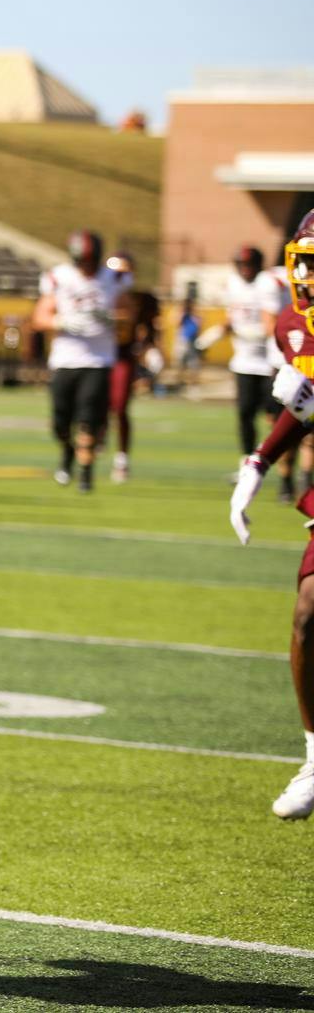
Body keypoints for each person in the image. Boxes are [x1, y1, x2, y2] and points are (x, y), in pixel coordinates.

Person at [227, 207, 314, 819]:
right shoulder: (293, 324)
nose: (306, 274)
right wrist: (258, 464)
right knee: (309, 613)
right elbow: (306, 406)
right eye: (302, 260)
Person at [31, 230, 128, 493]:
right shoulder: (59, 278)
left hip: (98, 360)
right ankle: (67, 451)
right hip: (64, 359)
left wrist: (113, 319)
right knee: (60, 423)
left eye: (90, 261)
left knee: (88, 420)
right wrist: (60, 321)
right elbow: (39, 317)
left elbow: (127, 314)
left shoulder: (114, 277)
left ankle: (86, 473)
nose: (86, 267)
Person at [218, 245, 297, 500]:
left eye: (249, 265)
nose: (245, 270)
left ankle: (286, 478)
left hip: (271, 363)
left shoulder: (268, 283)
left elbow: (271, 324)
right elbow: (234, 314)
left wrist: (257, 333)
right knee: (244, 415)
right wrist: (225, 328)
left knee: (279, 421)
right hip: (244, 362)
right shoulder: (232, 284)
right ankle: (248, 467)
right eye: (242, 265)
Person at [105, 252, 158, 484]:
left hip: (123, 354)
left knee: (120, 405)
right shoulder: (98, 290)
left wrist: (147, 350)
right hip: (96, 355)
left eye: (124, 273)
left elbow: (150, 329)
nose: (119, 278)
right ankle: (93, 441)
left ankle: (121, 458)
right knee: (94, 404)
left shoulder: (141, 298)